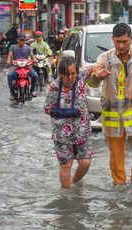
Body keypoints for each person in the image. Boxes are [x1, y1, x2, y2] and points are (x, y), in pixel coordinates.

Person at [87, 23, 132, 185]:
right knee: (116, 153)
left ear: (131, 39)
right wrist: (97, 77)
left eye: (125, 41)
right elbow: (92, 82)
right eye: (118, 41)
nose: (121, 45)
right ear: (112, 39)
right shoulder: (104, 59)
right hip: (113, 114)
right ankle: (119, 184)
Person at [44, 56, 107, 189]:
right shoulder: (53, 89)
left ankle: (75, 182)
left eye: (73, 73)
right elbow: (47, 109)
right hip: (62, 134)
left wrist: (100, 71)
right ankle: (67, 196)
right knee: (66, 165)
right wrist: (62, 113)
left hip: (82, 131)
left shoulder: (80, 78)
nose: (70, 77)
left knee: (85, 163)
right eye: (66, 75)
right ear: (60, 74)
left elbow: (91, 69)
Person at [6, 33, 39, 100]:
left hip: (27, 67)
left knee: (35, 75)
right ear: (17, 40)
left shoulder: (28, 48)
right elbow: (10, 55)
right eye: (20, 40)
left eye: (23, 40)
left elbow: (32, 55)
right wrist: (8, 61)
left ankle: (32, 91)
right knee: (9, 76)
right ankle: (12, 94)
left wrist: (35, 60)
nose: (22, 41)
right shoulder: (13, 47)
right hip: (16, 67)